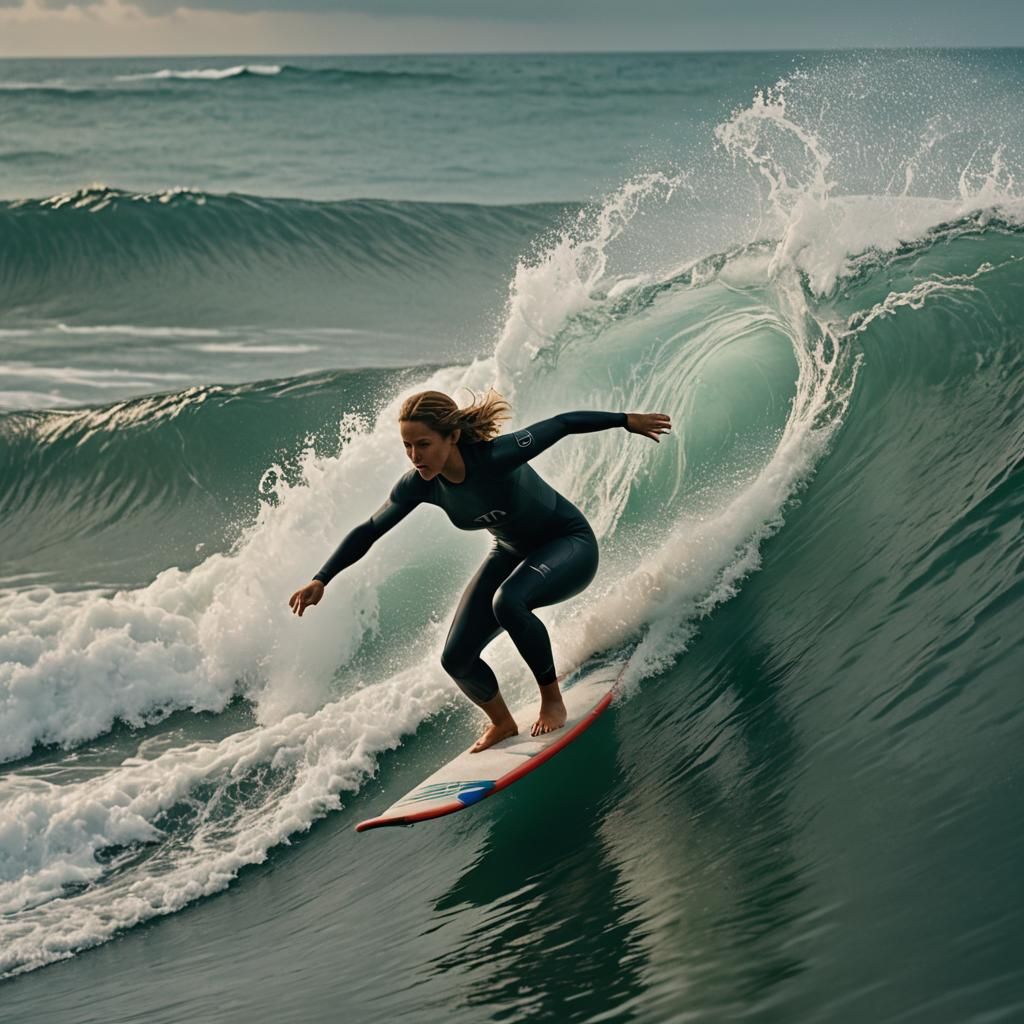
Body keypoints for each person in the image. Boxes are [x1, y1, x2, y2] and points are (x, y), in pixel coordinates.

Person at [289, 389, 670, 753]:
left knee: (508, 601)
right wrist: (322, 578)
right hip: (510, 551)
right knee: (456, 658)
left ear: (452, 436)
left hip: (569, 544)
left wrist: (625, 420)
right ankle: (502, 722)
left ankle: (552, 701)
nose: (413, 455)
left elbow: (563, 422)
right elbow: (369, 530)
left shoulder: (494, 456)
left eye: (423, 444)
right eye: (407, 446)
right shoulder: (420, 485)